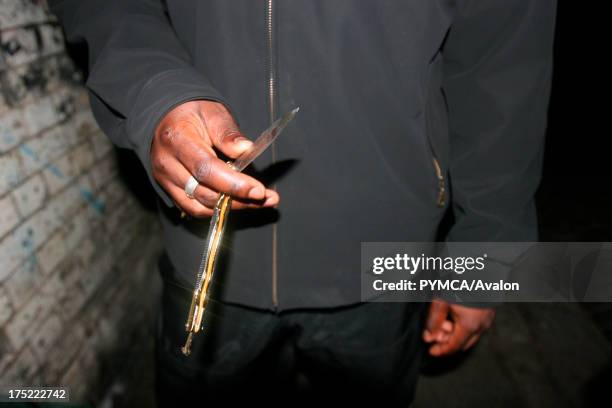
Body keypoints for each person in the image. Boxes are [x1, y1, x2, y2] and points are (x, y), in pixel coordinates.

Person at [50, 0, 556, 406]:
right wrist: (155, 93)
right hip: (210, 254)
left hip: (383, 257)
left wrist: (486, 261)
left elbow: (505, 69)